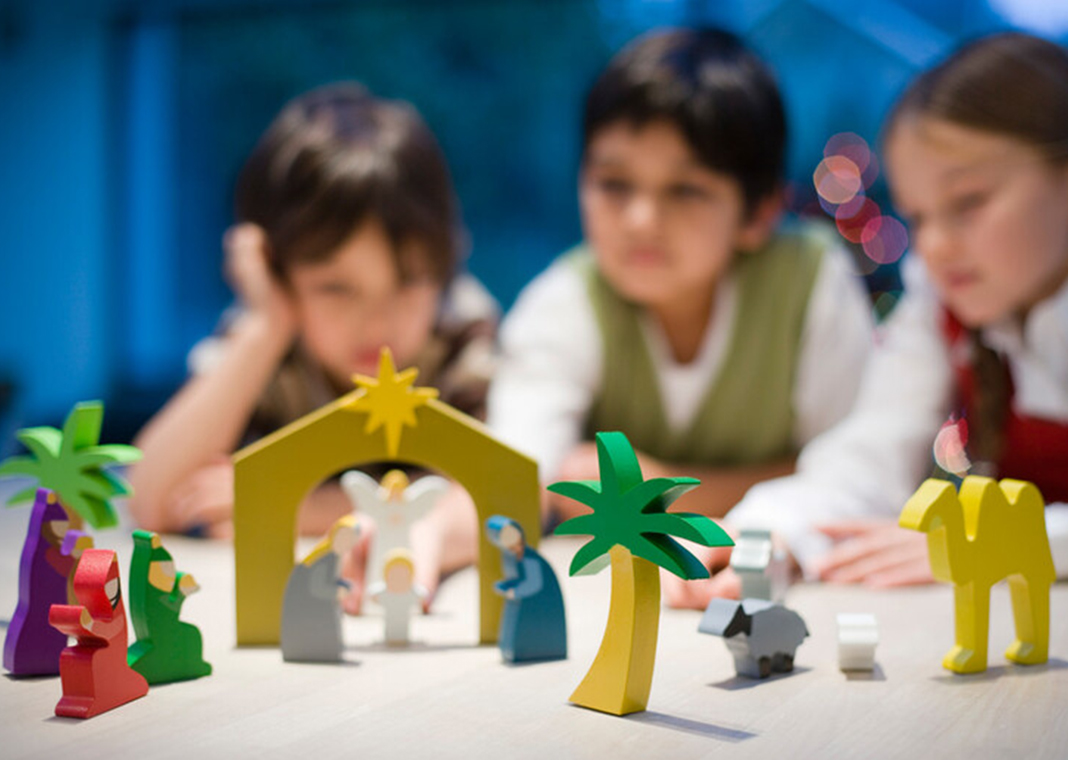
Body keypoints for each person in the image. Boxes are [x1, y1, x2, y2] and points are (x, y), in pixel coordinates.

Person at [692, 32, 1068, 606]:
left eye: (968, 202)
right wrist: (771, 529)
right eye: (918, 216)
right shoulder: (940, 300)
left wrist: (1000, 538)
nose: (935, 245)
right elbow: (873, 449)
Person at [487, 28, 873, 540]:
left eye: (686, 190)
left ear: (760, 211)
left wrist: (664, 493)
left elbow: (860, 477)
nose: (641, 219)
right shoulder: (563, 301)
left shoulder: (811, 282)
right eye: (614, 184)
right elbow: (522, 479)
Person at [127, 84, 497, 609]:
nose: (378, 320)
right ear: (276, 272)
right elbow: (152, 500)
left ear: (447, 262)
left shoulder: (461, 331)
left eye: (409, 280)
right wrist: (267, 325)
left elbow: (505, 497)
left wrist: (296, 504)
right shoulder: (265, 338)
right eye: (336, 287)